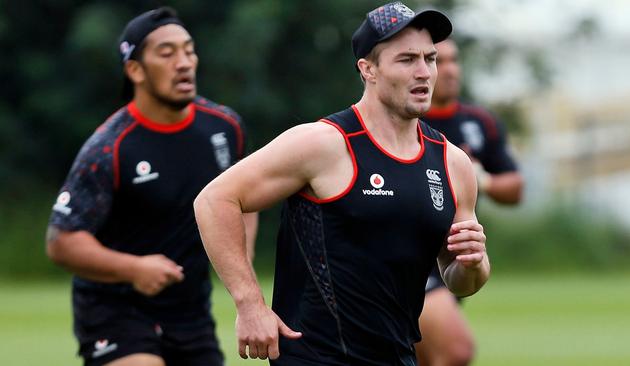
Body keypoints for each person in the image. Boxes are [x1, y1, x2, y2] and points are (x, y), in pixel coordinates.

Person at [194, 2, 489, 365]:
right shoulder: (324, 144)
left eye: (430, 59)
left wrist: (473, 264)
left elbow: (460, 280)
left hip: (397, 356)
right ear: (368, 69)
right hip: (314, 357)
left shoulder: (452, 163)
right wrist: (249, 303)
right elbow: (215, 199)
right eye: (406, 59)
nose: (425, 72)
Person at [45, 7, 257, 366]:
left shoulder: (225, 128)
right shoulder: (109, 148)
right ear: (135, 70)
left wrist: (240, 265)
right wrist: (134, 269)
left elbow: (244, 199)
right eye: (167, 53)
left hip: (191, 314)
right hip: (115, 311)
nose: (184, 62)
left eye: (189, 50)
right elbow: (62, 241)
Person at [416, 38, 524, 366]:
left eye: (453, 60)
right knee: (455, 350)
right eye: (438, 60)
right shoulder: (400, 122)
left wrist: (484, 180)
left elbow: (515, 188)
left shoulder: (479, 122)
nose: (449, 70)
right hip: (414, 256)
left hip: (454, 254)